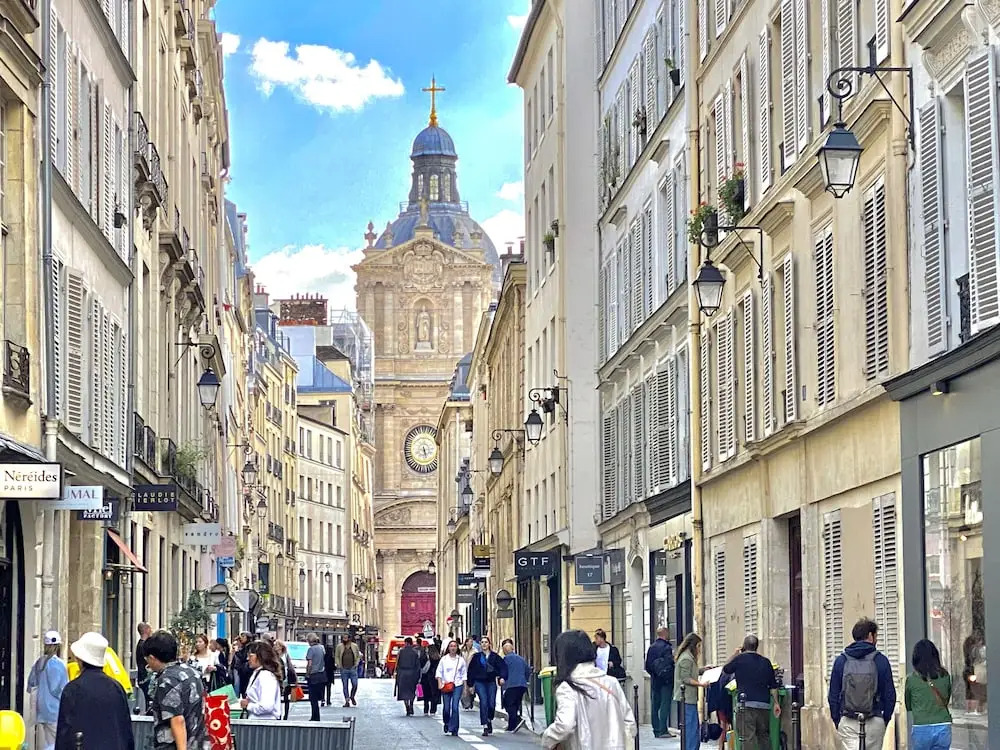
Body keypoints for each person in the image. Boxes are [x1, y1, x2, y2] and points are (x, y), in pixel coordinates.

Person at [542, 629, 637, 750]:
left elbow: (565, 725)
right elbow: (629, 722)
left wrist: (547, 740)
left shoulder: (567, 688)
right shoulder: (612, 683)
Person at [55, 632, 134, 750]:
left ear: (80, 659)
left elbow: (64, 734)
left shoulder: (73, 689)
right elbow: (126, 731)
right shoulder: (116, 688)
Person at [828, 617, 896, 750]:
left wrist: (838, 720)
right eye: (876, 636)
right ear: (870, 636)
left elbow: (833, 696)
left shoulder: (841, 661)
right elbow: (890, 696)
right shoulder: (881, 661)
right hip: (874, 719)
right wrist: (884, 719)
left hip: (848, 721)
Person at [144, 629, 206, 750]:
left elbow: (177, 720)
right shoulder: (192, 672)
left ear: (152, 658)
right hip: (198, 742)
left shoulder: (167, 681)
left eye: (147, 660)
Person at [722, 635, 781, 750]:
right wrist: (776, 703)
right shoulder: (766, 662)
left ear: (744, 646)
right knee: (764, 736)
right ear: (757, 646)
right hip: (764, 705)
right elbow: (773, 686)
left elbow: (726, 669)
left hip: (746, 705)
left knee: (747, 738)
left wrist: (735, 655)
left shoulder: (739, 659)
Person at [905, 639, 952, 750]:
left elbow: (908, 705)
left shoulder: (911, 679)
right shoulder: (945, 675)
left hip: (921, 727)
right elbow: (946, 698)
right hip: (943, 725)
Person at [28, 630, 68, 750]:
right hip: (55, 710)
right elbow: (58, 689)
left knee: (47, 741)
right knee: (55, 743)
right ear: (58, 646)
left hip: (42, 710)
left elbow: (31, 684)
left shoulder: (39, 662)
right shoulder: (58, 664)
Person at [466, 635, 508, 737]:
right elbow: (471, 671)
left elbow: (503, 667)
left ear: (489, 644)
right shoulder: (476, 657)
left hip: (491, 682)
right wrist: (470, 685)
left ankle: (489, 719)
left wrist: (502, 677)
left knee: (491, 704)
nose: (484, 644)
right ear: (480, 644)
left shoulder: (495, 656)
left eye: (486, 642)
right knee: (483, 701)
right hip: (479, 682)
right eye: (482, 642)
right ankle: (485, 725)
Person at [674, 633, 710, 750]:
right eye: (698, 646)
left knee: (693, 726)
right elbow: (686, 678)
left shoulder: (688, 657)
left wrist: (703, 670)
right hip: (687, 697)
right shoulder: (686, 658)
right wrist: (701, 684)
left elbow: (691, 672)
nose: (699, 649)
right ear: (693, 645)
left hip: (689, 697)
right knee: (691, 728)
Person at [239, 640, 283, 721]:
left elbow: (267, 706)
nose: (248, 658)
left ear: (260, 656)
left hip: (264, 723)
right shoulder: (258, 673)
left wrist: (248, 705)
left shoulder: (266, 676)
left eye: (250, 656)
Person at [645, 626, 675, 739]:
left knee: (655, 705)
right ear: (665, 633)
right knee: (664, 705)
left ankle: (656, 729)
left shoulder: (651, 648)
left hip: (655, 680)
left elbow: (647, 666)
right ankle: (663, 730)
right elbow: (669, 663)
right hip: (666, 681)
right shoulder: (667, 648)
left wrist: (654, 674)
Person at [436, 639, 468, 737]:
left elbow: (464, 674)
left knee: (455, 707)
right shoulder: (444, 659)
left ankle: (454, 728)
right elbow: (439, 672)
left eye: (455, 646)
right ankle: (446, 722)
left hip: (457, 685)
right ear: (448, 648)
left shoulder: (461, 660)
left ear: (457, 648)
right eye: (451, 646)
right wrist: (440, 683)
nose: (453, 648)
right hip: (446, 685)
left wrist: (465, 688)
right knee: (446, 708)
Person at [500, 638, 529, 733]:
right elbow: (527, 670)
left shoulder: (505, 659)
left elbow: (502, 671)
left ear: (505, 651)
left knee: (507, 703)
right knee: (515, 704)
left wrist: (502, 679)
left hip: (511, 685)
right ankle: (512, 724)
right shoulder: (521, 659)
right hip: (522, 685)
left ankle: (516, 721)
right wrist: (525, 680)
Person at [395, 637, 422, 716]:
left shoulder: (401, 651)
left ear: (406, 643)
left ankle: (407, 706)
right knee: (412, 690)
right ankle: (411, 704)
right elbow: (418, 665)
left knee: (404, 691)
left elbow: (397, 663)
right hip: (412, 674)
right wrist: (418, 676)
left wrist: (396, 673)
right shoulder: (415, 652)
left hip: (402, 673)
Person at [304, 632, 327, 721]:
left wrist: (307, 673)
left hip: (313, 675)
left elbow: (310, 664)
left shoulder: (311, 649)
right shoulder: (322, 648)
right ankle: (316, 715)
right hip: (321, 674)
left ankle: (315, 716)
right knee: (317, 696)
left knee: (313, 698)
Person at [335, 634, 361, 707]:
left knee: (355, 684)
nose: (344, 639)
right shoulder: (339, 646)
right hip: (344, 669)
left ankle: (352, 696)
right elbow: (337, 656)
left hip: (352, 668)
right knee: (345, 685)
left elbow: (358, 656)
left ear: (349, 639)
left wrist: (356, 663)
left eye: (346, 638)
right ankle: (347, 701)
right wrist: (338, 664)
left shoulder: (354, 646)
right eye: (343, 638)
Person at [273, 641, 295, 720]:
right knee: (277, 697)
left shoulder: (285, 655)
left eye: (277, 645)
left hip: (286, 678)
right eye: (275, 645)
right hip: (278, 678)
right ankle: (278, 714)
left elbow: (290, 666)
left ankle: (286, 715)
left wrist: (294, 679)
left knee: (286, 698)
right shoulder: (274, 656)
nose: (276, 647)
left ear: (281, 647)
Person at [421, 643, 442, 716]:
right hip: (435, 678)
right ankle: (433, 709)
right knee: (434, 694)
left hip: (426, 678)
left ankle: (426, 709)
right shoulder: (438, 659)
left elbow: (422, 667)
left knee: (426, 694)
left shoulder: (426, 658)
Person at [135, 623, 153, 705]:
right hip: (145, 677)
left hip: (143, 677)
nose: (151, 631)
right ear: (146, 630)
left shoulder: (141, 644)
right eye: (150, 628)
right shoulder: (144, 646)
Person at [231, 633, 252, 698]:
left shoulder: (249, 646)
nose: (241, 638)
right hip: (242, 669)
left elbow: (243, 657)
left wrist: (237, 652)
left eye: (243, 636)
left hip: (246, 670)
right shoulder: (244, 646)